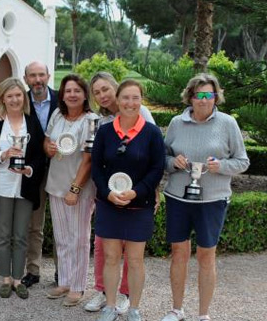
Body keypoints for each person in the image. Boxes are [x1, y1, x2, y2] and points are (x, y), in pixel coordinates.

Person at [160, 74, 249, 321]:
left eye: (209, 94)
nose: (204, 100)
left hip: (213, 200)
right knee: (178, 252)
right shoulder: (177, 123)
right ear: (190, 97)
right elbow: (163, 159)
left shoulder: (228, 123)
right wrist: (173, 162)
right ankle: (177, 309)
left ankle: (203, 314)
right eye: (198, 95)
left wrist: (220, 165)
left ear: (216, 96)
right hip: (178, 197)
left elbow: (243, 161)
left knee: (206, 255)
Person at [92, 80, 165, 321]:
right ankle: (110, 306)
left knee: (135, 260)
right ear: (118, 100)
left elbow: (157, 169)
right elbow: (96, 168)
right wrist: (107, 193)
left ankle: (134, 308)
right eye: (125, 98)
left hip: (139, 205)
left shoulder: (153, 133)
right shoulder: (104, 132)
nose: (130, 103)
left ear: (141, 100)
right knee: (111, 257)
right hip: (109, 204)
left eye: (135, 98)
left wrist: (137, 192)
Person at [0, 77, 45, 299]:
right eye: (10, 96)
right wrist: (3, 154)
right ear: (3, 98)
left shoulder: (32, 122)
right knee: (3, 235)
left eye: (18, 95)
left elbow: (39, 157)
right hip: (2, 187)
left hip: (25, 187)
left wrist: (29, 169)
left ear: (23, 97)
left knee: (20, 236)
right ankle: (5, 279)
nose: (15, 99)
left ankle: (18, 279)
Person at [43, 74, 97, 307]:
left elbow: (88, 159)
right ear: (62, 95)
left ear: (85, 94)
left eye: (77, 90)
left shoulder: (91, 121)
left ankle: (78, 286)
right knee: (62, 238)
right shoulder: (57, 115)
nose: (72, 95)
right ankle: (64, 281)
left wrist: (75, 189)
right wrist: (50, 148)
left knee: (79, 239)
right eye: (67, 91)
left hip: (79, 188)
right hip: (55, 184)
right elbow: (47, 142)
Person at [20, 61, 58, 288]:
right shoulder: (19, 99)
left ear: (48, 76)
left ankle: (62, 272)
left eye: (41, 75)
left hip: (61, 169)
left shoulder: (63, 99)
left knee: (62, 225)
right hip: (32, 170)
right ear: (26, 79)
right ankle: (33, 270)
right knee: (34, 225)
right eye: (32, 75)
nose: (37, 80)